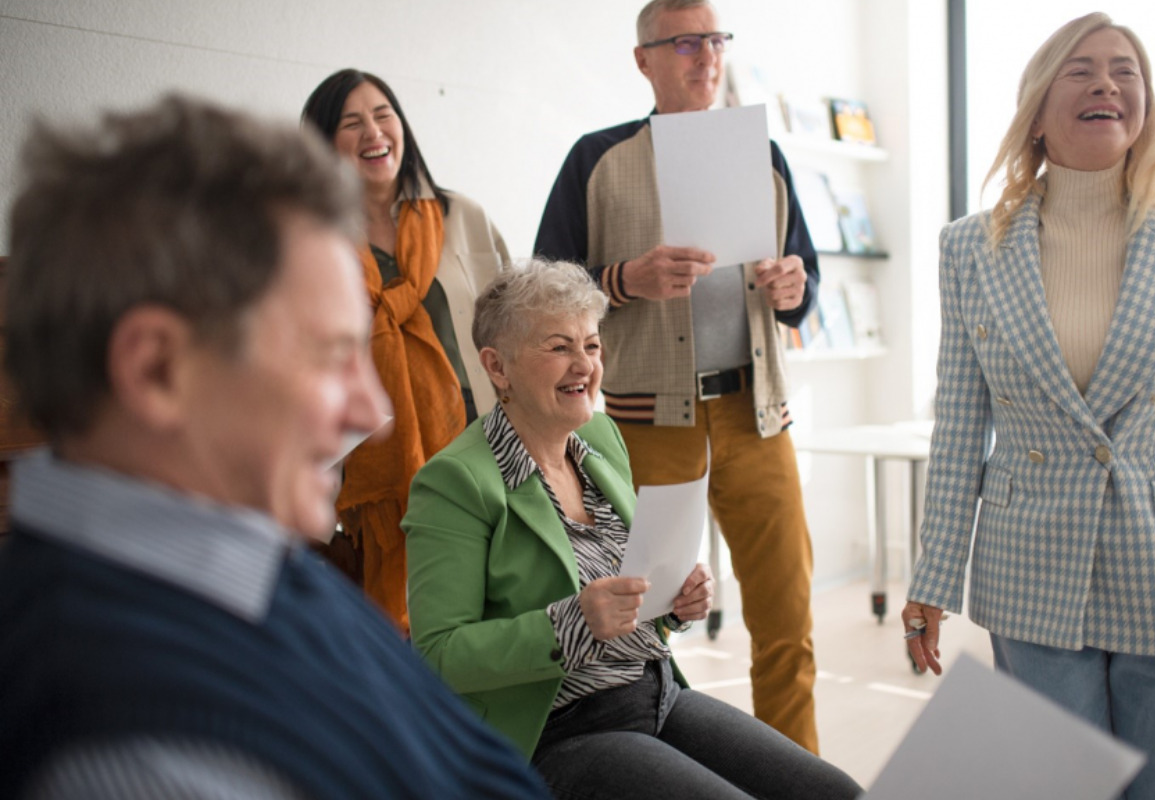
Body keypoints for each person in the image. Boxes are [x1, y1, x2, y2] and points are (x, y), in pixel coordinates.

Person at [0, 95, 550, 800]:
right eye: (329, 356)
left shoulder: (248, 562)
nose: (373, 414)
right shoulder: (134, 745)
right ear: (157, 370)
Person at [904, 13, 1155, 800]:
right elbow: (960, 424)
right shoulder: (969, 247)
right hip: (1030, 565)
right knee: (1049, 787)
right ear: (1036, 107)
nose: (1107, 84)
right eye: (1081, 70)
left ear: (1146, 100)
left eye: (1125, 70)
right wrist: (933, 577)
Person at [404, 259, 862, 799]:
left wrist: (673, 601)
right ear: (497, 366)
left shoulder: (601, 436)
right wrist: (570, 623)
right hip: (558, 730)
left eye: (592, 346)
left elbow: (631, 599)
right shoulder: (454, 482)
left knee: (839, 793)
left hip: (656, 693)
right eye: (559, 347)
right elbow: (437, 656)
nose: (584, 366)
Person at [532, 0, 823, 753]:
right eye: (686, 41)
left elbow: (806, 282)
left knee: (788, 620)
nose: (706, 55)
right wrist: (625, 279)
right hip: (640, 426)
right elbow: (542, 292)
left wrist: (795, 289)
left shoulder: (765, 156)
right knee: (640, 622)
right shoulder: (597, 159)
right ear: (644, 60)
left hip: (758, 417)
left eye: (715, 39)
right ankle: (654, 772)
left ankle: (797, 778)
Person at [302, 69, 510, 633]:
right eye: (351, 122)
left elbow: (515, 328)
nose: (373, 131)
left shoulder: (459, 217)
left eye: (383, 114)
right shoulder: (306, 244)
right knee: (411, 642)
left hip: (486, 459)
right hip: (377, 487)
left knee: (501, 622)